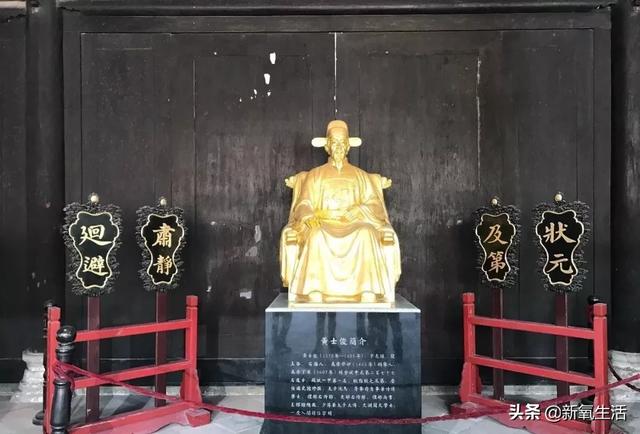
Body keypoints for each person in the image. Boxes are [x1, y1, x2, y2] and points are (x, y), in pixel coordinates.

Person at [280, 120, 401, 304]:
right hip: (323, 223)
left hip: (355, 223)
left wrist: (361, 210)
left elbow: (375, 204)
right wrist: (309, 216)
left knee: (366, 233)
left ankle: (367, 289)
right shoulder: (315, 175)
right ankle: (315, 289)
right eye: (334, 142)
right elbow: (304, 203)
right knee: (316, 234)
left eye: (342, 142)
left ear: (348, 146)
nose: (338, 147)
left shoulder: (360, 175)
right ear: (327, 146)